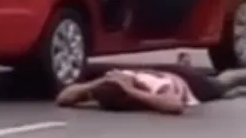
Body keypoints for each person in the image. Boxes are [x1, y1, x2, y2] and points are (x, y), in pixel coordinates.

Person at [56, 56, 246, 114]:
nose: (121, 76)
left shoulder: (114, 84)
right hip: (190, 86)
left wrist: (100, 81)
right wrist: (130, 89)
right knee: (222, 83)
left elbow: (63, 97)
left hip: (168, 71)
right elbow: (175, 106)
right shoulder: (150, 91)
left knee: (226, 82)